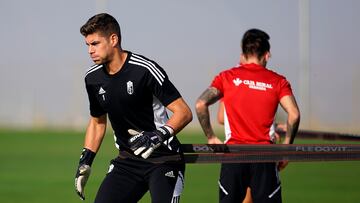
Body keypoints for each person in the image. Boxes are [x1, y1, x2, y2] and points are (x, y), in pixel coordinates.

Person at [74, 13, 192, 203]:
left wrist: (158, 135)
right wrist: (85, 160)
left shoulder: (145, 70)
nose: (90, 50)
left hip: (164, 159)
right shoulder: (92, 78)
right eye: (87, 45)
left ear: (113, 39)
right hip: (128, 161)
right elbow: (97, 122)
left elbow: (184, 112)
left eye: (95, 43)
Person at [195, 28, 300, 203]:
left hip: (233, 156)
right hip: (265, 157)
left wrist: (211, 137)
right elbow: (294, 114)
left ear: (243, 54)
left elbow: (200, 104)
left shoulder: (226, 77)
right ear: (267, 55)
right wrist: (286, 147)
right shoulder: (278, 81)